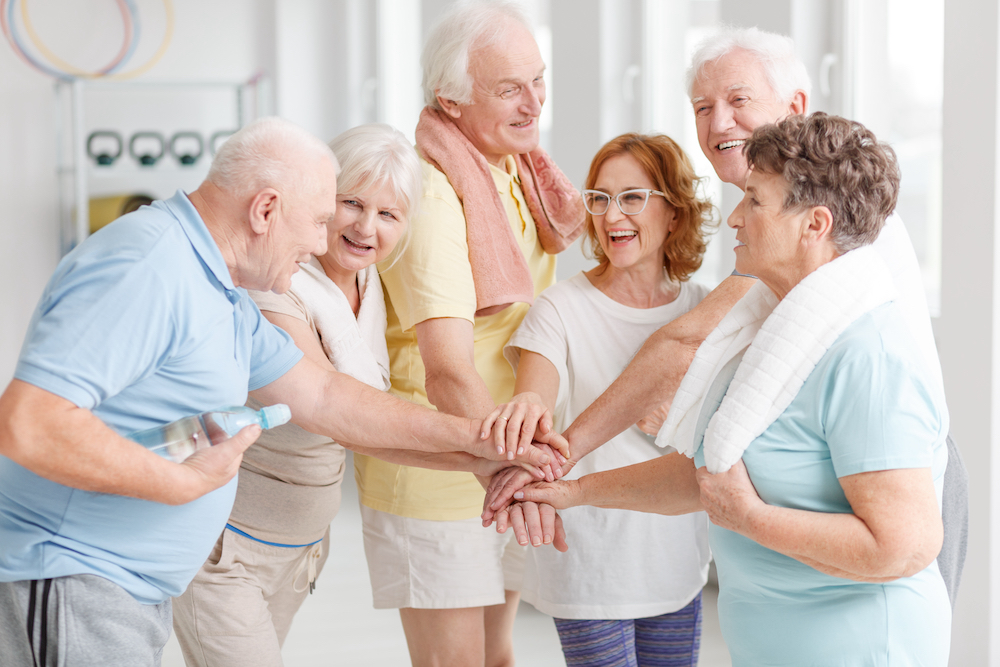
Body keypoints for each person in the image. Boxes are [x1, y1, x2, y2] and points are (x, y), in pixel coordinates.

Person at [0, 117, 557, 667]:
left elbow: (328, 400)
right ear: (265, 210)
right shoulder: (149, 265)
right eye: (319, 219)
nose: (322, 241)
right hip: (74, 571)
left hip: (125, 584)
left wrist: (488, 450)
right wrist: (178, 483)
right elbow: (30, 422)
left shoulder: (220, 289)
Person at [486, 27, 966, 605]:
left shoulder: (822, 220)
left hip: (894, 472)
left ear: (794, 108)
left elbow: (685, 344)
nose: (718, 125)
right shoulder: (759, 226)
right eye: (702, 108)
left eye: (738, 100)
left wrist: (559, 455)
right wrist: (570, 477)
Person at [353, 2, 585, 665]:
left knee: (499, 655)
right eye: (509, 88)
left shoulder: (516, 171)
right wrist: (516, 472)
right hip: (442, 473)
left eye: (538, 80)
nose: (533, 102)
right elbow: (448, 370)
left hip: (503, 455)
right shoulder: (432, 190)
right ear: (450, 100)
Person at [500, 133, 713, 666]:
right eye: (600, 197)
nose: (611, 213)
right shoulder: (559, 310)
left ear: (675, 213)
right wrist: (528, 421)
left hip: (675, 561)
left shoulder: (703, 310)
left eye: (632, 197)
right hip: (590, 565)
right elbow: (535, 400)